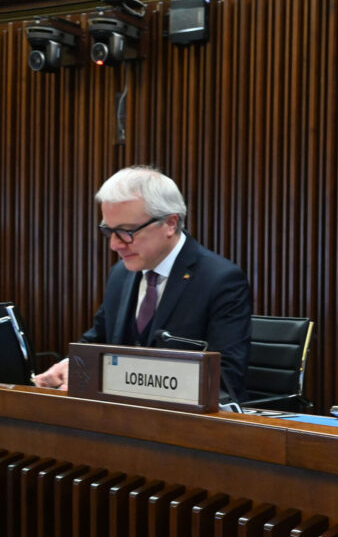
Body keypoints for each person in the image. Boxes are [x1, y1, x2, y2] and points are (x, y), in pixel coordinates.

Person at [33, 166, 252, 400]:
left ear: (170, 223)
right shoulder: (120, 274)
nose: (114, 244)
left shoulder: (220, 280)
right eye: (109, 231)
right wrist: (71, 365)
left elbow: (225, 377)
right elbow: (99, 338)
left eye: (126, 231)